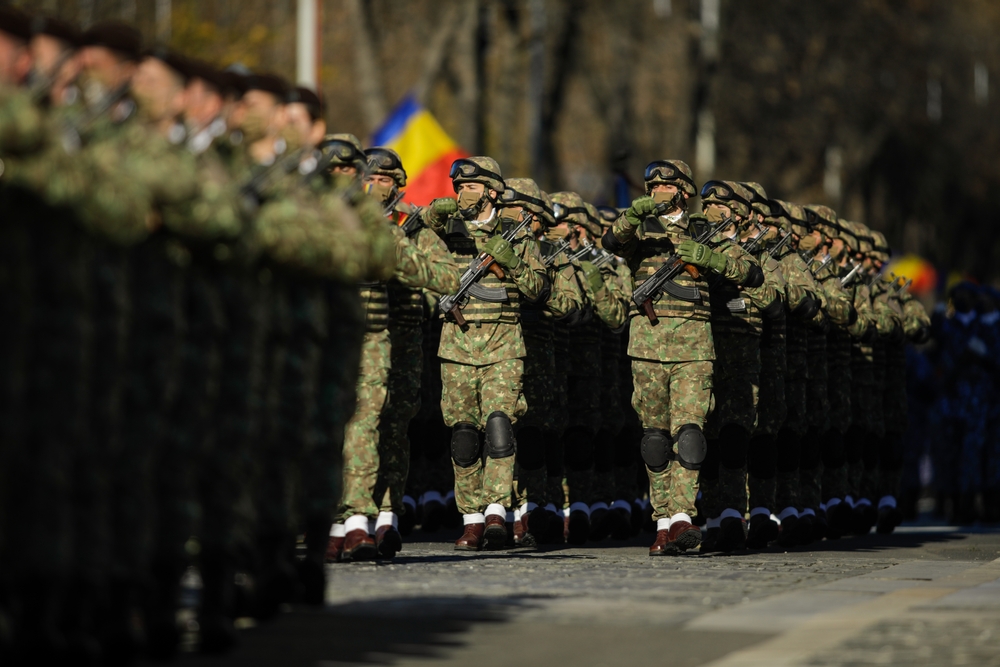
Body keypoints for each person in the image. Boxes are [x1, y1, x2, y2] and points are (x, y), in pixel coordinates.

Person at [603, 160, 760, 556]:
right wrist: (636, 212)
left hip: (693, 350)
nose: (657, 189)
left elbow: (751, 270)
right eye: (651, 184)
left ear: (684, 191)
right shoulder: (640, 230)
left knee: (689, 433)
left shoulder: (704, 231)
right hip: (647, 348)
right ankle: (661, 520)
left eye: (665, 184)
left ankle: (683, 518)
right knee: (655, 440)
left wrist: (711, 260)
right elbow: (612, 241)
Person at [424, 156, 548, 551]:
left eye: (471, 187)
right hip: (457, 346)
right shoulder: (451, 231)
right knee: (463, 436)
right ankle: (472, 518)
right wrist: (444, 207)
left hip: (503, 346)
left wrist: (509, 259)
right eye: (458, 186)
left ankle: (496, 512)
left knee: (498, 428)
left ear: (493, 192)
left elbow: (538, 290)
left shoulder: (519, 235)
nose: (462, 193)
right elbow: (425, 222)